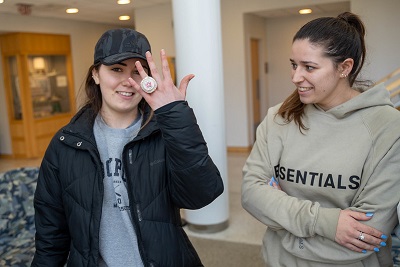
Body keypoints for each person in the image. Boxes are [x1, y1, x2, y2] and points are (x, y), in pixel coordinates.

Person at [31, 28, 224, 266]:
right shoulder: (66, 144)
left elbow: (201, 195)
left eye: (137, 71)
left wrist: (176, 116)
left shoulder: (165, 133)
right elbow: (51, 235)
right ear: (96, 74)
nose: (128, 82)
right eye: (116, 69)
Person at [241, 12, 400, 267]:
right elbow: (251, 194)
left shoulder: (388, 128)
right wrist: (328, 223)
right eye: (294, 64)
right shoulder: (278, 118)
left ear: (344, 68)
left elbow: (368, 233)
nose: (295, 77)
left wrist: (284, 221)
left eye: (309, 67)